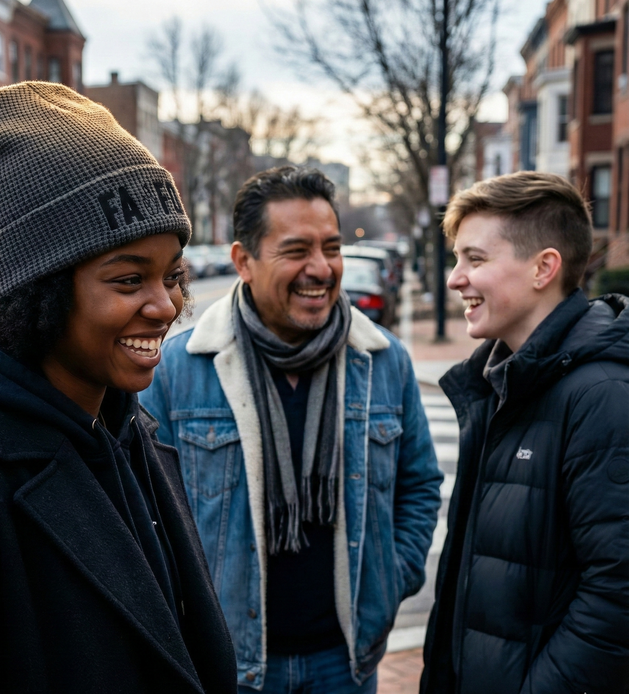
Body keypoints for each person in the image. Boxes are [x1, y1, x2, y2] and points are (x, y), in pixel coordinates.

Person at [0, 82, 237, 694]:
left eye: (171, 275)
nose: (165, 306)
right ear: (40, 292)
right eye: (129, 278)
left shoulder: (130, 429)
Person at [141, 166, 443, 692]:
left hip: (347, 660)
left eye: (332, 247)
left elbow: (419, 486)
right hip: (229, 663)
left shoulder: (384, 360)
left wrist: (388, 582)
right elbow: (144, 512)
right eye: (297, 250)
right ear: (244, 262)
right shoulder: (178, 369)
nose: (321, 268)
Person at [420, 171, 629, 693]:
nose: (454, 278)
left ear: (543, 268)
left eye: (475, 259)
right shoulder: (501, 382)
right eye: (457, 258)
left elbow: (617, 595)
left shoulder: (603, 395)